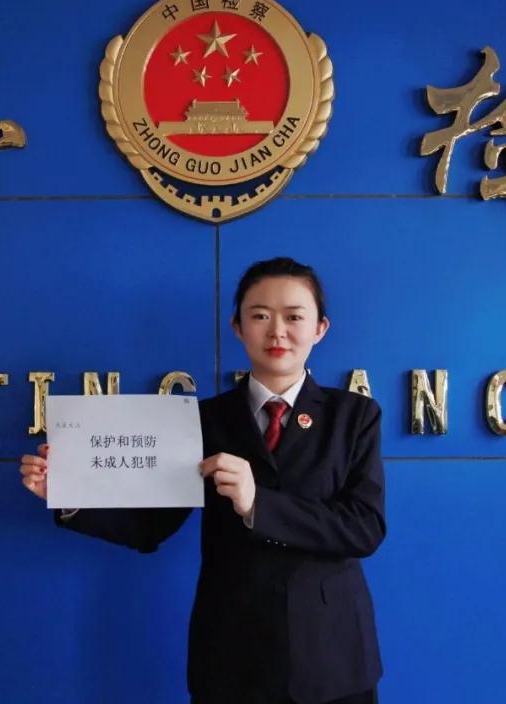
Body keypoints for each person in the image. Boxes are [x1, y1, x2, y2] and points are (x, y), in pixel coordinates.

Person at [20, 257, 385, 704]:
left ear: (320, 328)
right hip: (233, 652)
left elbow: (364, 528)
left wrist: (258, 504)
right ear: (237, 327)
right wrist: (67, 493)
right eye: (260, 316)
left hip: (332, 654)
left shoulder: (354, 416)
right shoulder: (202, 419)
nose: (277, 332)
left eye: (294, 317)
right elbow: (149, 527)